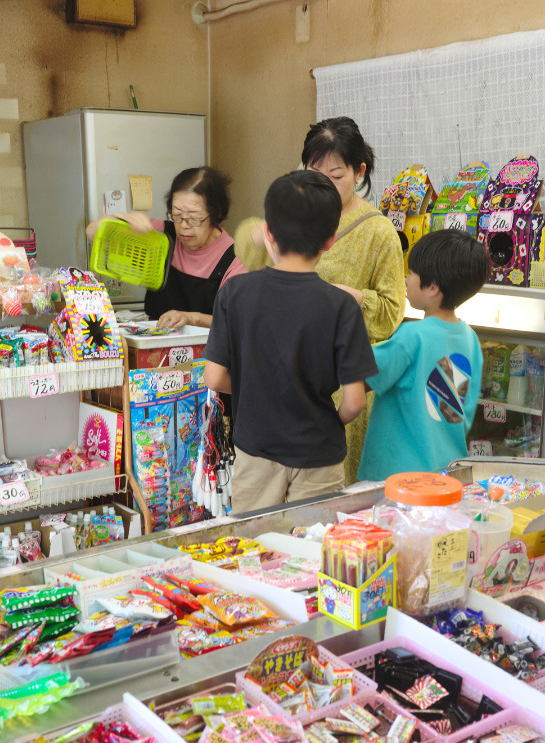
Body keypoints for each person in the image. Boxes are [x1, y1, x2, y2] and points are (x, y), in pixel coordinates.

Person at [234, 117, 406, 486]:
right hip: (283, 367)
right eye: (315, 172)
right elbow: (257, 269)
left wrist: (353, 297)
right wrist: (255, 237)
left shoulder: (379, 231)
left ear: (359, 172)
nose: (325, 184)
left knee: (328, 501)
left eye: (337, 175)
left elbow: (393, 313)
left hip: (342, 382)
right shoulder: (295, 210)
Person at [204, 170, 378, 515]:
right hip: (319, 452)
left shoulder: (235, 293)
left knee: (254, 549)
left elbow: (214, 377)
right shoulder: (341, 305)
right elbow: (354, 401)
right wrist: (327, 419)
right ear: (329, 239)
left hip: (256, 450)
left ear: (268, 233)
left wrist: (256, 391)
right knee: (310, 550)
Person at [357, 229, 490, 481]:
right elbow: (462, 411)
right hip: (444, 475)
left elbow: (361, 374)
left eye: (411, 272)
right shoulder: (470, 339)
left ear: (432, 287)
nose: (405, 279)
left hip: (394, 477)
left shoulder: (412, 336)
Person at [86, 166, 247, 329]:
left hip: (205, 351)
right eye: (177, 215)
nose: (184, 226)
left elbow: (235, 322)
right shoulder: (161, 236)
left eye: (194, 218)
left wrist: (191, 318)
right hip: (155, 345)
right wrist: (125, 217)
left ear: (217, 214)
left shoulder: (234, 259)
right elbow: (92, 233)